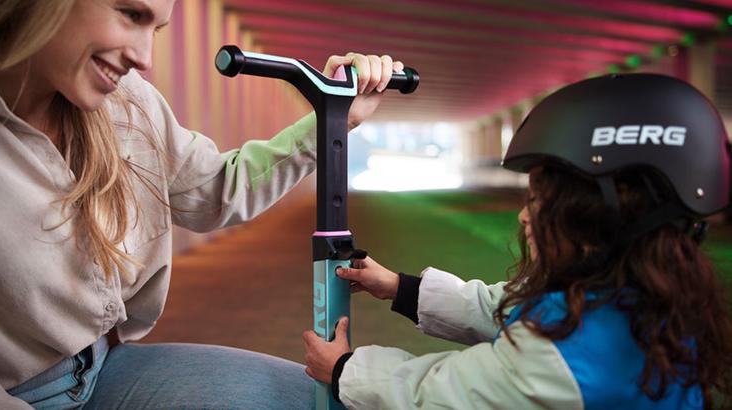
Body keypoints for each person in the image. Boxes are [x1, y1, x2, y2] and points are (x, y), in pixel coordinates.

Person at [0, 0, 405, 408]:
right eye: (130, 14)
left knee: (322, 402)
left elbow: (215, 191)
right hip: (7, 394)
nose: (144, 57)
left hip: (104, 369)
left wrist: (333, 117)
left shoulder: (128, 99)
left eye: (155, 29)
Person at [303, 73, 732, 409]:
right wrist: (400, 287)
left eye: (540, 201)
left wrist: (343, 369)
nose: (525, 215)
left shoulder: (566, 359)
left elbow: (437, 394)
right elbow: (507, 309)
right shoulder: (650, 300)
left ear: (599, 221)